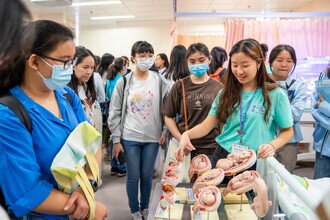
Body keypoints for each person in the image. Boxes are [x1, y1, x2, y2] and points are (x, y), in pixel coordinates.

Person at [0, 20, 107, 219]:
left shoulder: (66, 95)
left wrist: (88, 185)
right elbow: (27, 191)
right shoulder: (9, 114)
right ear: (34, 62)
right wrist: (87, 209)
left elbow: (92, 144)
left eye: (72, 60)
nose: (70, 67)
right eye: (64, 61)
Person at [176, 39, 294, 170]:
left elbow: (287, 131)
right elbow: (206, 125)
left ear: (258, 63)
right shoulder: (225, 93)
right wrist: (186, 135)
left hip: (256, 158)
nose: (239, 71)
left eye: (245, 65)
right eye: (235, 65)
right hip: (224, 155)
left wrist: (272, 145)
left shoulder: (275, 94)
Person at [108, 41, 169, 220]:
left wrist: (165, 131)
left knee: (147, 176)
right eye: (142, 56)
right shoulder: (124, 81)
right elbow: (115, 111)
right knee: (133, 176)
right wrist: (117, 140)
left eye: (150, 55)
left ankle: (145, 208)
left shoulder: (159, 80)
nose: (146, 59)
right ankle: (134, 210)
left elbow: (167, 109)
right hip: (130, 136)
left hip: (152, 138)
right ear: (133, 58)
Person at [162, 43, 222, 163]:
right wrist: (182, 139)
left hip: (210, 146)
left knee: (206, 181)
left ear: (209, 60)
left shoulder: (218, 87)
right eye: (192, 61)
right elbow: (168, 116)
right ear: (187, 62)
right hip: (184, 147)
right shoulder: (180, 85)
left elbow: (222, 120)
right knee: (182, 181)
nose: (197, 65)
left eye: (201, 60)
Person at [269, 44, 307, 173]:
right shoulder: (261, 83)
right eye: (279, 60)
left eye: (289, 61)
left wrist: (278, 89)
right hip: (264, 138)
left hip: (289, 142)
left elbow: (295, 116)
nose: (284, 64)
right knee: (262, 178)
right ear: (271, 62)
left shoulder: (299, 86)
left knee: (285, 180)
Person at [69, 46, 103, 134]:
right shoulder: (66, 92)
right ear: (73, 66)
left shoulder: (88, 88)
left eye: (92, 68)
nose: (89, 72)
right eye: (85, 67)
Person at [105, 57, 128, 177]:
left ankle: (114, 166)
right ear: (123, 67)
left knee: (112, 139)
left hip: (110, 112)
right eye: (126, 65)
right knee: (119, 140)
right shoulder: (122, 80)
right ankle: (121, 167)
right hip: (119, 112)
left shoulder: (110, 80)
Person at [312, 66, 330, 179]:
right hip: (323, 148)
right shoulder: (324, 75)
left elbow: (320, 105)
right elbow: (314, 107)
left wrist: (324, 106)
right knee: (320, 191)